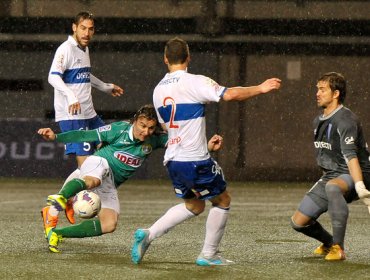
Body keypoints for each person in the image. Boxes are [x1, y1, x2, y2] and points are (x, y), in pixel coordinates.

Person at [131, 37, 281, 266]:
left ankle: (149, 234)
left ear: (165, 60)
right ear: (188, 58)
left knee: (195, 205)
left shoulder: (158, 90)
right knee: (222, 200)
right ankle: (209, 255)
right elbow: (229, 94)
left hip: (173, 160)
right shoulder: (195, 82)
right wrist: (260, 88)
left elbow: (166, 127)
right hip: (194, 160)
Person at [38, 104, 224, 253]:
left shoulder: (155, 140)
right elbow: (85, 135)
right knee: (93, 180)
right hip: (98, 164)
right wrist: (56, 136)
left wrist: (207, 147)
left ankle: (57, 234)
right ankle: (60, 198)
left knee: (109, 224)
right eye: (142, 126)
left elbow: (184, 149)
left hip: (109, 184)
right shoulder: (119, 129)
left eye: (151, 128)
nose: (146, 131)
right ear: (135, 121)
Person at [45, 11, 124, 227]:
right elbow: (53, 76)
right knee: (88, 167)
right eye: (83, 28)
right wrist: (70, 95)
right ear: (74, 27)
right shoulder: (66, 49)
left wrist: (105, 87)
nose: (87, 33)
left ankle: (68, 197)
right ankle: (54, 208)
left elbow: (85, 75)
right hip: (72, 116)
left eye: (90, 29)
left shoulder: (84, 48)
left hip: (89, 114)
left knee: (110, 146)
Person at [290, 72, 370, 261]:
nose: (317, 93)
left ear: (336, 94)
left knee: (333, 187)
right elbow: (326, 155)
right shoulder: (318, 121)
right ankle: (329, 242)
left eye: (322, 89)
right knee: (298, 223)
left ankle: (338, 248)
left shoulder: (345, 119)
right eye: (317, 89)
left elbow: (351, 157)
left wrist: (360, 187)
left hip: (358, 172)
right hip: (332, 175)